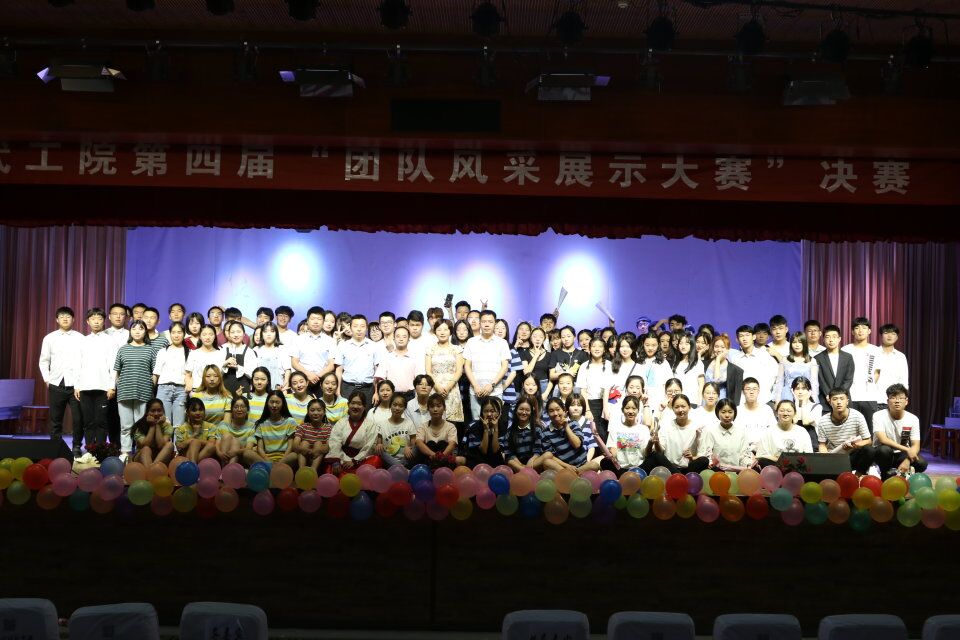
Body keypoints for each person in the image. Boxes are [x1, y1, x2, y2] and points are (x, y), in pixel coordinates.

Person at [74, 307, 116, 456]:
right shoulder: (83, 341)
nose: (96, 321)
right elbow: (77, 365)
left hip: (103, 387)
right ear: (88, 321)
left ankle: (101, 451)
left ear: (104, 321)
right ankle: (89, 451)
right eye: (93, 319)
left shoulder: (110, 341)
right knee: (88, 422)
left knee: (101, 421)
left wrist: (112, 386)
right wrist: (77, 386)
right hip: (85, 387)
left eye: (99, 318)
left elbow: (113, 365)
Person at [38, 306, 83, 444]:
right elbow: (44, 361)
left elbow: (85, 361)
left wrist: (82, 382)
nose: (65, 319)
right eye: (62, 316)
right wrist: (47, 380)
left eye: (68, 316)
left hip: (76, 385)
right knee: (55, 419)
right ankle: (55, 446)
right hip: (56, 383)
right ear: (57, 319)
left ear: (73, 319)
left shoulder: (81, 338)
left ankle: (76, 446)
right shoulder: (49, 338)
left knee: (78, 419)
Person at [113, 320, 157, 461]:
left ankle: (140, 451)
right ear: (130, 331)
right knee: (125, 426)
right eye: (134, 328)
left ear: (145, 331)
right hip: (124, 392)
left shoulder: (150, 349)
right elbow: (117, 372)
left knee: (141, 426)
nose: (137, 331)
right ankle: (125, 452)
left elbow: (155, 373)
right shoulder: (123, 349)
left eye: (141, 328)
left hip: (144, 392)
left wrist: (151, 386)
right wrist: (119, 386)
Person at [643, 393, 709, 473]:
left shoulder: (697, 427)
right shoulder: (666, 425)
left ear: (689, 407)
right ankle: (679, 476)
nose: (680, 410)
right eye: (677, 407)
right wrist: (657, 442)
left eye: (683, 406)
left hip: (687, 468)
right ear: (673, 409)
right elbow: (660, 452)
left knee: (704, 460)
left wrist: (692, 457)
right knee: (655, 455)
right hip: (669, 467)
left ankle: (678, 476)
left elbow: (702, 454)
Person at [463, 310, 510, 419]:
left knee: (495, 422)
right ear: (480, 323)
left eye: (490, 321)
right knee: (477, 422)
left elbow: (504, 367)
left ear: (494, 323)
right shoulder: (471, 342)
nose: (487, 324)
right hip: (476, 391)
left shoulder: (502, 343)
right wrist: (475, 386)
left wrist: (492, 385)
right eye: (484, 321)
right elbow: (467, 366)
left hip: (495, 391)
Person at [815, 387, 874, 475]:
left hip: (852, 455)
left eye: (842, 399)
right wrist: (826, 458)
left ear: (847, 401)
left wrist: (854, 445)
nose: (839, 402)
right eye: (835, 399)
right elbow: (822, 444)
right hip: (834, 456)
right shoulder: (823, 421)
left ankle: (858, 476)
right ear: (829, 402)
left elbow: (868, 441)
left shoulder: (857, 416)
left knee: (870, 450)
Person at [873, 384, 926, 478]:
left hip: (901, 454)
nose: (897, 401)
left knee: (922, 463)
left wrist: (908, 460)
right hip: (882, 453)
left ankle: (901, 474)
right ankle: (885, 475)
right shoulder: (878, 415)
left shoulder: (913, 419)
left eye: (901, 398)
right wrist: (907, 449)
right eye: (893, 398)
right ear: (888, 401)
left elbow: (916, 445)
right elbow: (883, 439)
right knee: (884, 450)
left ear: (906, 401)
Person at [326, 391, 382, 473]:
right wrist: (337, 460)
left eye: (359, 404)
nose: (355, 406)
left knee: (376, 460)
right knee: (330, 468)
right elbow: (335, 442)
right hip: (342, 458)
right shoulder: (341, 422)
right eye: (353, 403)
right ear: (348, 405)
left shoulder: (370, 425)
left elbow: (369, 447)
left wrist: (354, 461)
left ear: (364, 406)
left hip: (361, 460)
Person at [842, 317, 882, 429]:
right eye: (857, 328)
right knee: (851, 428)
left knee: (870, 428)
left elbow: (877, 372)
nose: (860, 330)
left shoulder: (876, 350)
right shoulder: (845, 349)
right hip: (851, 396)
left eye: (864, 327)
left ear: (869, 331)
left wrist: (870, 384)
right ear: (852, 331)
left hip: (870, 396)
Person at [528, 397, 586, 472]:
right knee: (547, 462)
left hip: (582, 465)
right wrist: (567, 466)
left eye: (558, 409)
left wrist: (566, 427)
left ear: (564, 410)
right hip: (563, 468)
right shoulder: (545, 433)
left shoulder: (574, 424)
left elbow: (577, 444)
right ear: (548, 414)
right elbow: (551, 456)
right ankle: (571, 474)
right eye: (551, 411)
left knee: (594, 465)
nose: (555, 413)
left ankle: (573, 474)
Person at [727, 325, 778, 406]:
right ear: (737, 340)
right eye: (741, 336)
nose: (744, 338)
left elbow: (775, 376)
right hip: (741, 402)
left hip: (763, 400)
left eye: (747, 335)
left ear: (754, 337)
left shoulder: (764, 355)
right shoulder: (734, 358)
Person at [291, 306, 337, 397]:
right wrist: (308, 374)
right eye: (312, 319)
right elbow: (294, 362)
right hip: (303, 382)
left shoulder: (330, 341)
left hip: (322, 382)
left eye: (319, 319)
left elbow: (331, 364)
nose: (316, 322)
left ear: (323, 321)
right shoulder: (298, 339)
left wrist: (317, 376)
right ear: (307, 321)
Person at [426, 320, 465, 426]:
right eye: (439, 330)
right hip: (435, 387)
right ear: (435, 332)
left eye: (445, 329)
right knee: (434, 422)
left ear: (450, 331)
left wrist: (448, 387)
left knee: (451, 424)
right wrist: (437, 386)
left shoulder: (457, 349)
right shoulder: (430, 349)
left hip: (451, 388)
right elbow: (428, 371)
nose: (442, 332)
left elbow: (459, 371)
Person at [335, 314, 380, 405]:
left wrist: (376, 392)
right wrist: (338, 390)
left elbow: (377, 371)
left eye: (362, 326)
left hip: (368, 388)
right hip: (347, 388)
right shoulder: (343, 346)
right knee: (346, 413)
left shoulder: (374, 346)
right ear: (350, 327)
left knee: (367, 413)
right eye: (355, 326)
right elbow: (339, 370)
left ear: (366, 328)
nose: (359, 329)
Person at [701, 398, 756, 471]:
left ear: (734, 413)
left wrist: (748, 464)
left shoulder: (741, 433)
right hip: (717, 472)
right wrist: (711, 463)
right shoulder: (711, 432)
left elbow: (743, 456)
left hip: (736, 472)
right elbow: (708, 454)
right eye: (723, 412)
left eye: (730, 412)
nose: (727, 415)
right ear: (717, 413)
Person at [152, 321, 189, 428]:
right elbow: (156, 373)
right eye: (173, 332)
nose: (176, 335)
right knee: (163, 423)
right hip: (163, 389)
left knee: (179, 425)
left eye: (179, 332)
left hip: (181, 390)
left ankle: (177, 440)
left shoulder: (189, 352)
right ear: (170, 334)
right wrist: (152, 392)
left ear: (184, 334)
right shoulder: (162, 351)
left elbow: (189, 374)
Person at [756, 399, 813, 467]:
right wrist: (780, 461)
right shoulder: (768, 432)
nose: (785, 414)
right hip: (774, 468)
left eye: (789, 411)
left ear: (795, 413)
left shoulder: (802, 432)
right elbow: (761, 456)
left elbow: (809, 455)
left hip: (798, 468)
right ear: (776, 413)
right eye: (782, 410)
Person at [575, 337, 612, 441]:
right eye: (594, 346)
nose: (597, 349)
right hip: (591, 404)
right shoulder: (584, 366)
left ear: (604, 349)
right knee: (595, 434)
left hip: (608, 403)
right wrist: (587, 410)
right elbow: (582, 389)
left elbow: (610, 387)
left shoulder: (610, 365)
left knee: (608, 434)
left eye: (600, 346)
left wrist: (606, 408)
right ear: (589, 348)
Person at [602, 395, 651, 474]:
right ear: (622, 410)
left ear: (638, 410)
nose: (630, 411)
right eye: (627, 408)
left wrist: (651, 443)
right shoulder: (615, 428)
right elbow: (613, 449)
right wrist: (611, 455)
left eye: (634, 408)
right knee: (604, 462)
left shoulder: (644, 429)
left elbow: (646, 453)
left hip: (640, 468)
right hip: (620, 468)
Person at [252, 391, 299, 465]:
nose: (274, 405)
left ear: (283, 404)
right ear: (267, 403)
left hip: (285, 458)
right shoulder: (261, 423)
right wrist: (269, 461)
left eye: (277, 402)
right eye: (271, 402)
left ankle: (275, 466)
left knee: (294, 455)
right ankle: (271, 466)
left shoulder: (290, 422)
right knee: (247, 453)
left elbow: (290, 447)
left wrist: (282, 461)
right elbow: (260, 449)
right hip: (266, 458)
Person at [414, 393, 461, 467]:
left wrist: (441, 457)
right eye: (432, 406)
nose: (435, 409)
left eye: (438, 406)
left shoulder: (451, 427)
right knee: (430, 444)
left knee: (443, 444)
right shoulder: (423, 426)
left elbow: (452, 444)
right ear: (428, 409)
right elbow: (418, 442)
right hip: (428, 459)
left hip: (444, 460)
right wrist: (435, 456)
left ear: (444, 408)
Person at [814, 324, 854, 407]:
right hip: (825, 400)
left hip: (843, 400)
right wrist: (829, 395)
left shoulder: (848, 357)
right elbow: (820, 380)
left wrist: (839, 395)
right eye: (827, 337)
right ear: (823, 339)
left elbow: (848, 379)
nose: (831, 340)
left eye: (834, 337)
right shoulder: (817, 358)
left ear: (839, 339)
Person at [733, 377, 776, 453]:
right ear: (743, 392)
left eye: (754, 389)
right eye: (748, 389)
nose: (751, 392)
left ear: (758, 391)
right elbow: (734, 434)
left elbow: (773, 430)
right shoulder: (737, 410)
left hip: (764, 450)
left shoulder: (766, 409)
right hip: (742, 450)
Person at [773, 332, 819, 402]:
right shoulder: (785, 360)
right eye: (794, 342)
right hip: (787, 394)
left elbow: (814, 383)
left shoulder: (812, 361)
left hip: (805, 395)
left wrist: (814, 400)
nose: (797, 345)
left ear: (805, 343)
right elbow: (779, 381)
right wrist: (777, 399)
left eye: (800, 342)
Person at [375, 326, 418, 399]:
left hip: (410, 395)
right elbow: (380, 378)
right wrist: (376, 393)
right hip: (391, 395)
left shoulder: (414, 358)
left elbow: (419, 378)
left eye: (404, 337)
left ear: (408, 340)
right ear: (394, 339)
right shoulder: (386, 357)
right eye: (398, 336)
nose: (401, 339)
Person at [375, 393, 417, 468]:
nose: (397, 408)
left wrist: (409, 447)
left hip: (406, 460)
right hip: (388, 461)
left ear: (404, 408)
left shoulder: (409, 423)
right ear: (390, 406)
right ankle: (401, 468)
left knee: (418, 447)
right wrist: (379, 444)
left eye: (401, 406)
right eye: (394, 405)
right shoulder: (382, 424)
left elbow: (413, 444)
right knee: (380, 450)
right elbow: (379, 443)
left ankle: (399, 467)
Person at [215, 395, 258, 466]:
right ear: (232, 410)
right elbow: (217, 444)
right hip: (223, 457)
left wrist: (235, 452)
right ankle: (227, 468)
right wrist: (219, 453)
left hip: (242, 458)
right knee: (226, 436)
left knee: (235, 441)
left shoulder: (252, 427)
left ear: (247, 410)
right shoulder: (223, 424)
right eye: (236, 407)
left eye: (242, 407)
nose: (239, 409)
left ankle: (229, 468)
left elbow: (248, 448)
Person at [131, 398, 174, 466]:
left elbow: (160, 445)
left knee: (170, 445)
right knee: (146, 449)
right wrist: (152, 426)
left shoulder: (168, 426)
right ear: (147, 412)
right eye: (153, 411)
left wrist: (158, 425)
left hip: (160, 458)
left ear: (163, 412)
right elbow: (146, 444)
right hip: (141, 457)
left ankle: (152, 468)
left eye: (159, 410)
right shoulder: (139, 426)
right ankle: (152, 469)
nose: (156, 414)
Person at [501, 397, 540, 471]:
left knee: (545, 456)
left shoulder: (537, 429)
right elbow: (509, 452)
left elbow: (538, 450)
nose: (524, 412)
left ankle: (525, 471)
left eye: (527, 410)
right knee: (510, 461)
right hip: (517, 464)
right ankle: (525, 471)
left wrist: (532, 460)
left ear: (531, 412)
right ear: (516, 410)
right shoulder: (510, 431)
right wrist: (520, 465)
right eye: (521, 409)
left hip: (533, 462)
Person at [464, 396, 505, 467]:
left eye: (492, 411)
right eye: (486, 411)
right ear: (481, 413)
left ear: (498, 413)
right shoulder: (474, 427)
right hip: (477, 462)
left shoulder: (503, 427)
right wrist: (486, 430)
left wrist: (496, 429)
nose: (489, 414)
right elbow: (483, 451)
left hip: (496, 462)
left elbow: (495, 450)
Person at [173, 397, 218, 462]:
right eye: (194, 410)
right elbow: (180, 447)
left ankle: (192, 465)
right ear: (187, 412)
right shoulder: (180, 429)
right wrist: (195, 434)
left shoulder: (211, 427)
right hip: (185, 457)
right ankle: (193, 465)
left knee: (209, 446)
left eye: (200, 410)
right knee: (195, 443)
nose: (198, 413)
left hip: (205, 458)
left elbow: (212, 444)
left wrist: (194, 441)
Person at [221, 320, 258, 396]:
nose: (236, 335)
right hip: (224, 389)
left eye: (238, 332)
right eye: (232, 332)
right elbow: (215, 371)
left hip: (243, 389)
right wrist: (225, 363)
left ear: (244, 334)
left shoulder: (249, 352)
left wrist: (238, 367)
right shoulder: (222, 349)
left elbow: (253, 374)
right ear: (229, 334)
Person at [875, 324, 909, 406]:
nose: (889, 336)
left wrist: (902, 399)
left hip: (894, 400)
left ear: (897, 337)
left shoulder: (900, 356)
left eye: (893, 334)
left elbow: (904, 379)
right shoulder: (873, 353)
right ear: (881, 336)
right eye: (886, 333)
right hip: (875, 399)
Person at [636, 333, 672, 409]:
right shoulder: (638, 362)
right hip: (641, 402)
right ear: (643, 345)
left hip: (659, 402)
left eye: (653, 345)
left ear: (658, 345)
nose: (650, 348)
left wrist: (666, 400)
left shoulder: (663, 362)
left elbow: (669, 383)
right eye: (647, 345)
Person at [184, 325, 225, 392]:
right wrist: (189, 386)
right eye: (204, 334)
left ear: (215, 336)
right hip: (197, 390)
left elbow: (222, 375)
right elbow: (188, 375)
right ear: (200, 336)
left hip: (216, 391)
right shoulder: (194, 353)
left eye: (210, 334)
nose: (207, 337)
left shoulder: (221, 353)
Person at [294, 398, 332, 471]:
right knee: (304, 443)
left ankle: (313, 471)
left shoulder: (329, 428)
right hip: (304, 455)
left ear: (324, 412)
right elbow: (295, 445)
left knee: (318, 443)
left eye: (319, 410)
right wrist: (307, 450)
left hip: (320, 459)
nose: (315, 413)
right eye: (312, 410)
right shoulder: (303, 426)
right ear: (308, 412)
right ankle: (301, 471)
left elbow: (328, 447)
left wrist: (317, 450)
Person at [253, 322, 290, 391]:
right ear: (262, 334)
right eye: (265, 331)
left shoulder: (282, 349)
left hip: (278, 387)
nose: (269, 334)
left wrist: (285, 385)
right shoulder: (256, 350)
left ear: (276, 334)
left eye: (272, 331)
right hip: (260, 387)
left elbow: (287, 369)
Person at [671, 333, 704, 407]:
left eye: (686, 343)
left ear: (692, 345)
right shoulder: (676, 363)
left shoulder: (697, 363)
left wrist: (699, 403)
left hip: (692, 402)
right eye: (681, 343)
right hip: (677, 402)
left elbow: (701, 385)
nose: (683, 346)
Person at [521, 327, 552, 400]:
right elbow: (526, 372)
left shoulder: (549, 355)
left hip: (544, 385)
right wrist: (536, 355)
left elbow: (551, 378)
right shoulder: (524, 353)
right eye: (535, 336)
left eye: (541, 337)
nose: (537, 339)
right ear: (531, 338)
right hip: (529, 385)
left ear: (544, 339)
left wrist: (546, 393)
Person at [791, 376, 822, 448]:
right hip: (794, 442)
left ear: (809, 391)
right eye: (797, 389)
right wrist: (796, 403)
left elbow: (805, 422)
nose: (800, 392)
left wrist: (804, 402)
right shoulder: (790, 406)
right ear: (792, 391)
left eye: (804, 388)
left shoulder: (817, 407)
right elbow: (795, 421)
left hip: (811, 443)